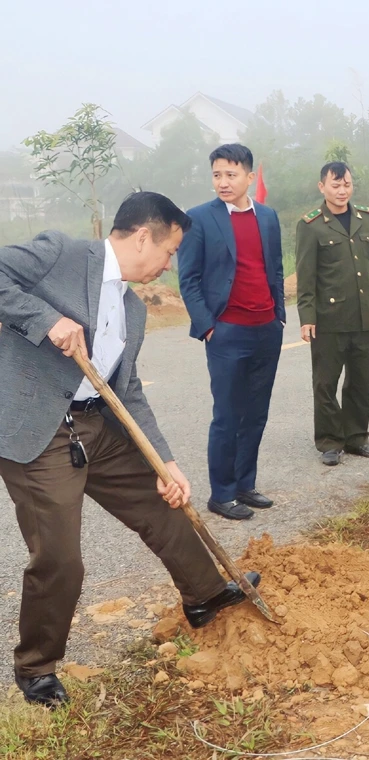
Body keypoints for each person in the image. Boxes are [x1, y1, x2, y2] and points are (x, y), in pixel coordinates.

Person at [0, 192, 260, 708]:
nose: (169, 265)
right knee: (60, 558)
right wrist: (43, 319)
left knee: (163, 504)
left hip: (100, 425)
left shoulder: (132, 309)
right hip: (42, 432)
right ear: (144, 236)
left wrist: (165, 462)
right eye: (169, 252)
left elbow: (130, 390)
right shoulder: (61, 253)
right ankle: (36, 667)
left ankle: (205, 595)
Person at [178, 144, 285, 521]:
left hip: (266, 331)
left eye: (231, 174)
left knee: (256, 414)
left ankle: (244, 484)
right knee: (227, 415)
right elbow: (188, 279)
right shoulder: (200, 218)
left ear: (249, 177)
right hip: (227, 333)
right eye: (217, 175)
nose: (223, 182)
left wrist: (280, 317)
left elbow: (274, 269)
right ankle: (221, 494)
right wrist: (208, 326)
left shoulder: (268, 217)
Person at [295, 161, 369, 467]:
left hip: (366, 316)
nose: (342, 191)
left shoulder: (365, 219)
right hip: (329, 319)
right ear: (322, 187)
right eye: (335, 185)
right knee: (326, 383)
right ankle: (329, 441)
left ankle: (356, 438)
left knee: (361, 382)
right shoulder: (311, 225)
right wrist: (307, 317)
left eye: (346, 184)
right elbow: (306, 276)